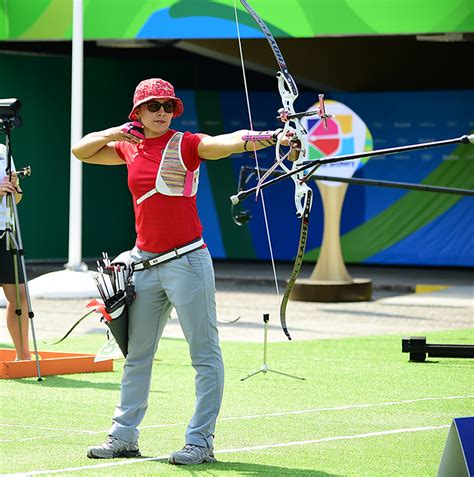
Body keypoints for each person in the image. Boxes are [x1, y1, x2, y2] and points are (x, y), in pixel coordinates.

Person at [72, 78, 287, 465]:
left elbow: (223, 143)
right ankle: (123, 437)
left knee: (204, 354)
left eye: (168, 106)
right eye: (153, 106)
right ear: (137, 111)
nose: (161, 113)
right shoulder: (128, 146)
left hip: (187, 261)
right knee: (138, 355)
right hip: (145, 264)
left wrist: (271, 136)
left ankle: (200, 441)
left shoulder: (185, 144)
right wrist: (117, 131)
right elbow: (81, 151)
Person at [0, 143, 30, 361]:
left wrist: (14, 185)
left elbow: (17, 198)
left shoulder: (3, 149)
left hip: (7, 232)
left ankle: (24, 357)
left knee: (20, 297)